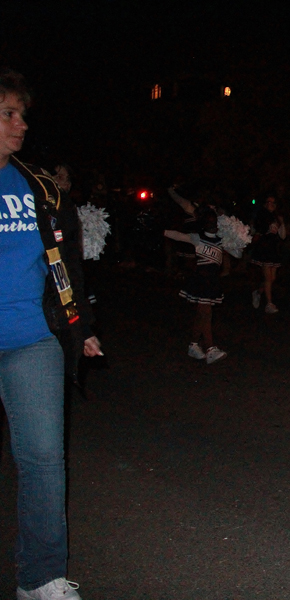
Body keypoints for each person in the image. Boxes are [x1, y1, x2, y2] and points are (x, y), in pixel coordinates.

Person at [0, 67, 100, 600]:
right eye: (8, 115)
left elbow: (64, 264)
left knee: (42, 456)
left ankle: (40, 577)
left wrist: (77, 324)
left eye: (23, 115)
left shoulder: (38, 187)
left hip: (31, 339)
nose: (21, 126)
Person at [164, 206, 239, 364]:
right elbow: (178, 236)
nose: (212, 224)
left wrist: (237, 237)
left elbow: (237, 253)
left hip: (212, 282)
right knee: (206, 315)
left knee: (201, 315)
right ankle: (210, 348)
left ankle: (193, 345)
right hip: (200, 281)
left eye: (214, 221)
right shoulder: (197, 238)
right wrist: (162, 231)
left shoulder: (221, 240)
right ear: (204, 223)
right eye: (209, 221)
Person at [249, 195, 286, 314]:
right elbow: (259, 230)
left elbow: (283, 235)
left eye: (273, 202)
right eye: (269, 202)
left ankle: (258, 292)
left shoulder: (277, 217)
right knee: (268, 277)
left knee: (272, 278)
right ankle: (269, 303)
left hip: (274, 249)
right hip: (265, 248)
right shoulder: (262, 215)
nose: (272, 204)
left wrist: (282, 223)